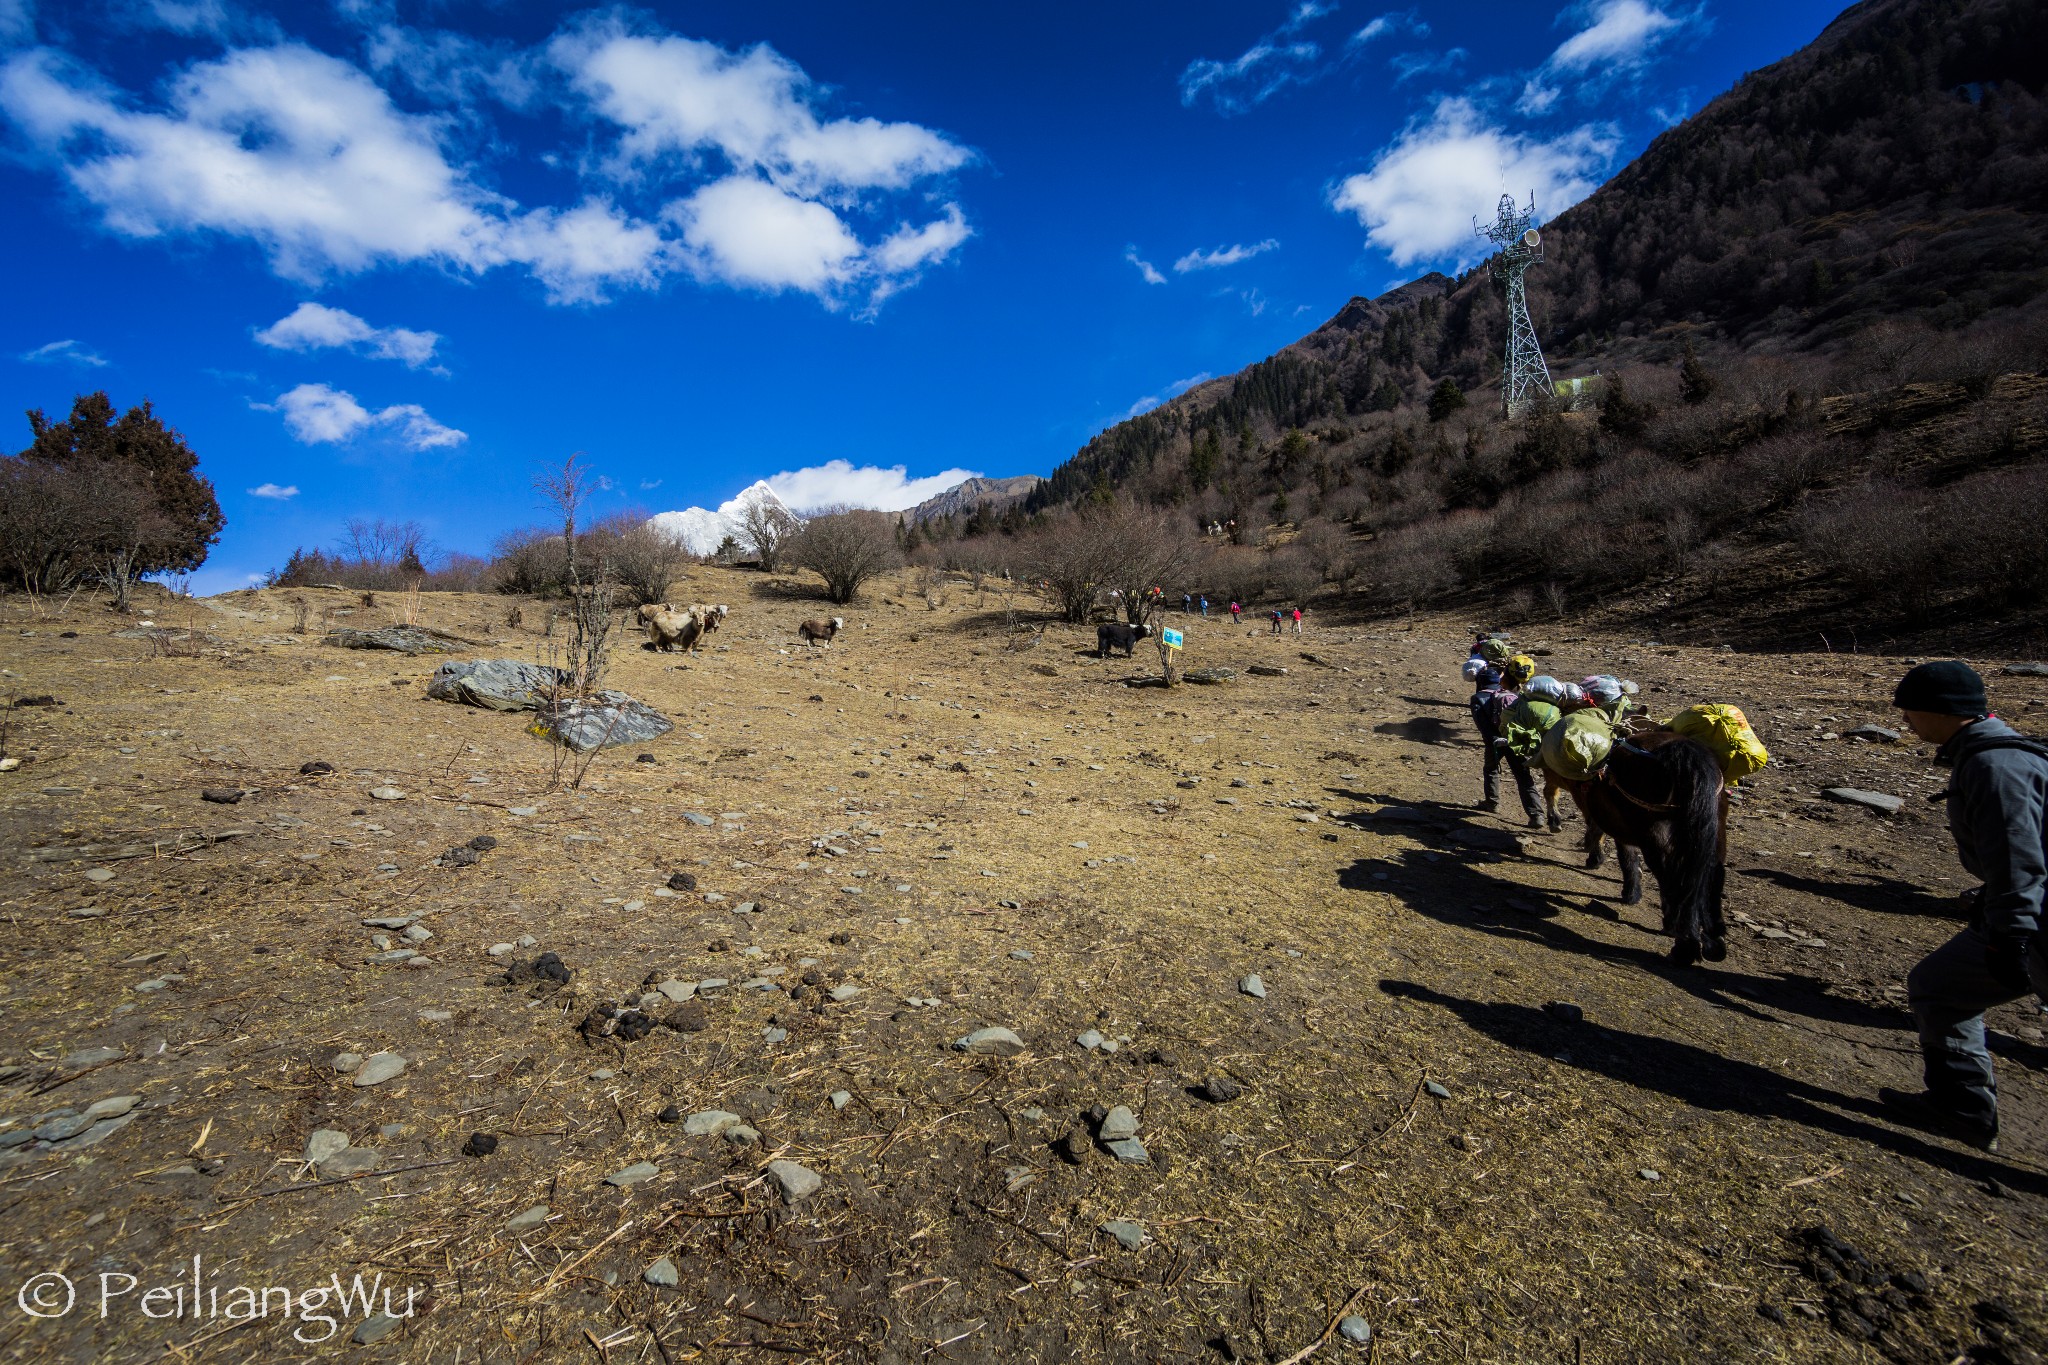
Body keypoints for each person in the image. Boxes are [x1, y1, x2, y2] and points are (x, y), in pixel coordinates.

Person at [1881, 661, 2048, 1153]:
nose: (1905, 720)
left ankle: (1964, 1107)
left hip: (2034, 920)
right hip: (2021, 913)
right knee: (1938, 986)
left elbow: (2019, 857)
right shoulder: (1994, 754)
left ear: (1942, 711)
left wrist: (2010, 935)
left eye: (1909, 709)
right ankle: (1961, 1106)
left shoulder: (1995, 767)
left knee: (1940, 988)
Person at [1464, 642, 1543, 825]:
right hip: (1516, 739)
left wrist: (1492, 739)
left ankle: (1492, 803)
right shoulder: (1510, 694)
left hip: (1495, 743)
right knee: (1523, 776)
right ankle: (1536, 814)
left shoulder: (1478, 698)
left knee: (1491, 769)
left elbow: (1482, 724)